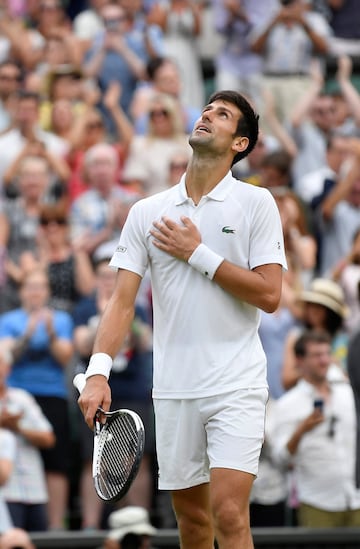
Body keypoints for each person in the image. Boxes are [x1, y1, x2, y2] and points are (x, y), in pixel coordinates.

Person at [77, 90, 287, 549]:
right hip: (174, 389)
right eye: (208, 109)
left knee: (229, 513)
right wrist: (97, 373)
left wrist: (199, 255)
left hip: (237, 384)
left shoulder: (257, 204)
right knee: (191, 523)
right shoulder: (146, 212)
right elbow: (121, 303)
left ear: (240, 143)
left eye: (223, 114)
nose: (208, 115)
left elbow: (271, 294)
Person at [270, 329, 360, 527]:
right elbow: (280, 460)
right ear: (300, 360)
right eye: (317, 355)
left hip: (355, 499)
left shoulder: (348, 392)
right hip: (317, 503)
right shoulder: (287, 405)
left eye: (328, 354)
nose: (324, 360)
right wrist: (301, 432)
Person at [0, 345, 55, 532]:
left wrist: (18, 428)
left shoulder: (22, 398)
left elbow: (48, 438)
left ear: (8, 368)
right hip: (4, 492)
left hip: (34, 489)